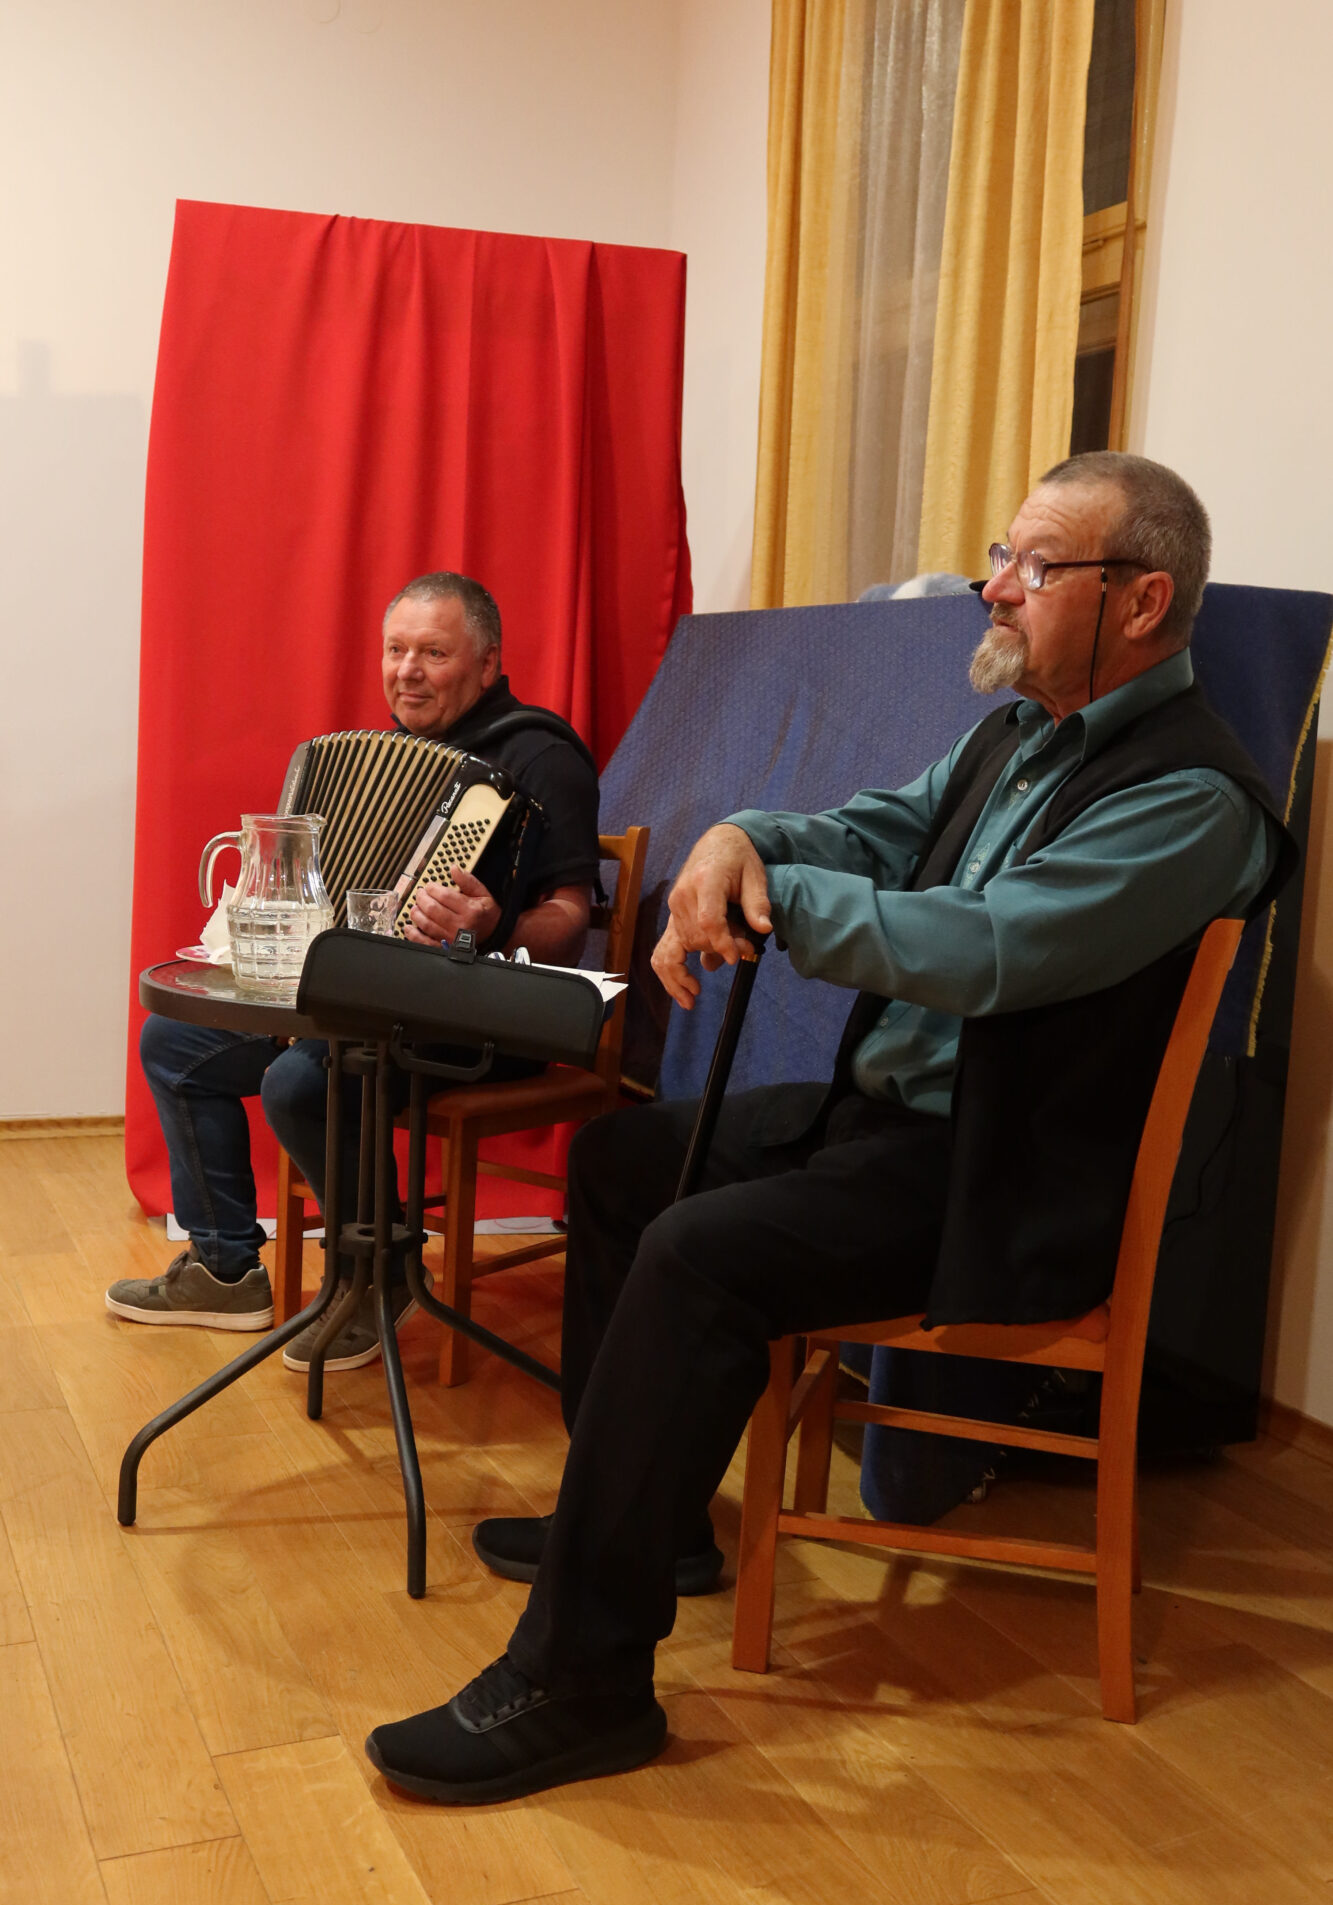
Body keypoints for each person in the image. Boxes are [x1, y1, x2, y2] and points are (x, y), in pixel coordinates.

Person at [361, 454, 1296, 1808]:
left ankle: (583, 1679)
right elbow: (873, 828)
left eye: (1035, 566)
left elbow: (988, 948)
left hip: (999, 1172)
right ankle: (647, 1528)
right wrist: (739, 836)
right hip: (894, 1122)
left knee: (697, 1256)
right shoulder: (1017, 734)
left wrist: (774, 900)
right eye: (1002, 555)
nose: (995, 587)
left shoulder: (1191, 799)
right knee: (622, 1161)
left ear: (1142, 600)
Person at [107, 572, 601, 1372]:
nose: (407, 671)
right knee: (176, 1043)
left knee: (301, 1082)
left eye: (433, 653)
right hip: (362, 1011)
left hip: (480, 1019)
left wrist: (493, 925)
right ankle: (225, 1269)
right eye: (396, 650)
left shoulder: (542, 758)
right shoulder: (382, 760)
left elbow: (571, 919)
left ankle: (380, 1273)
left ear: (486, 664)